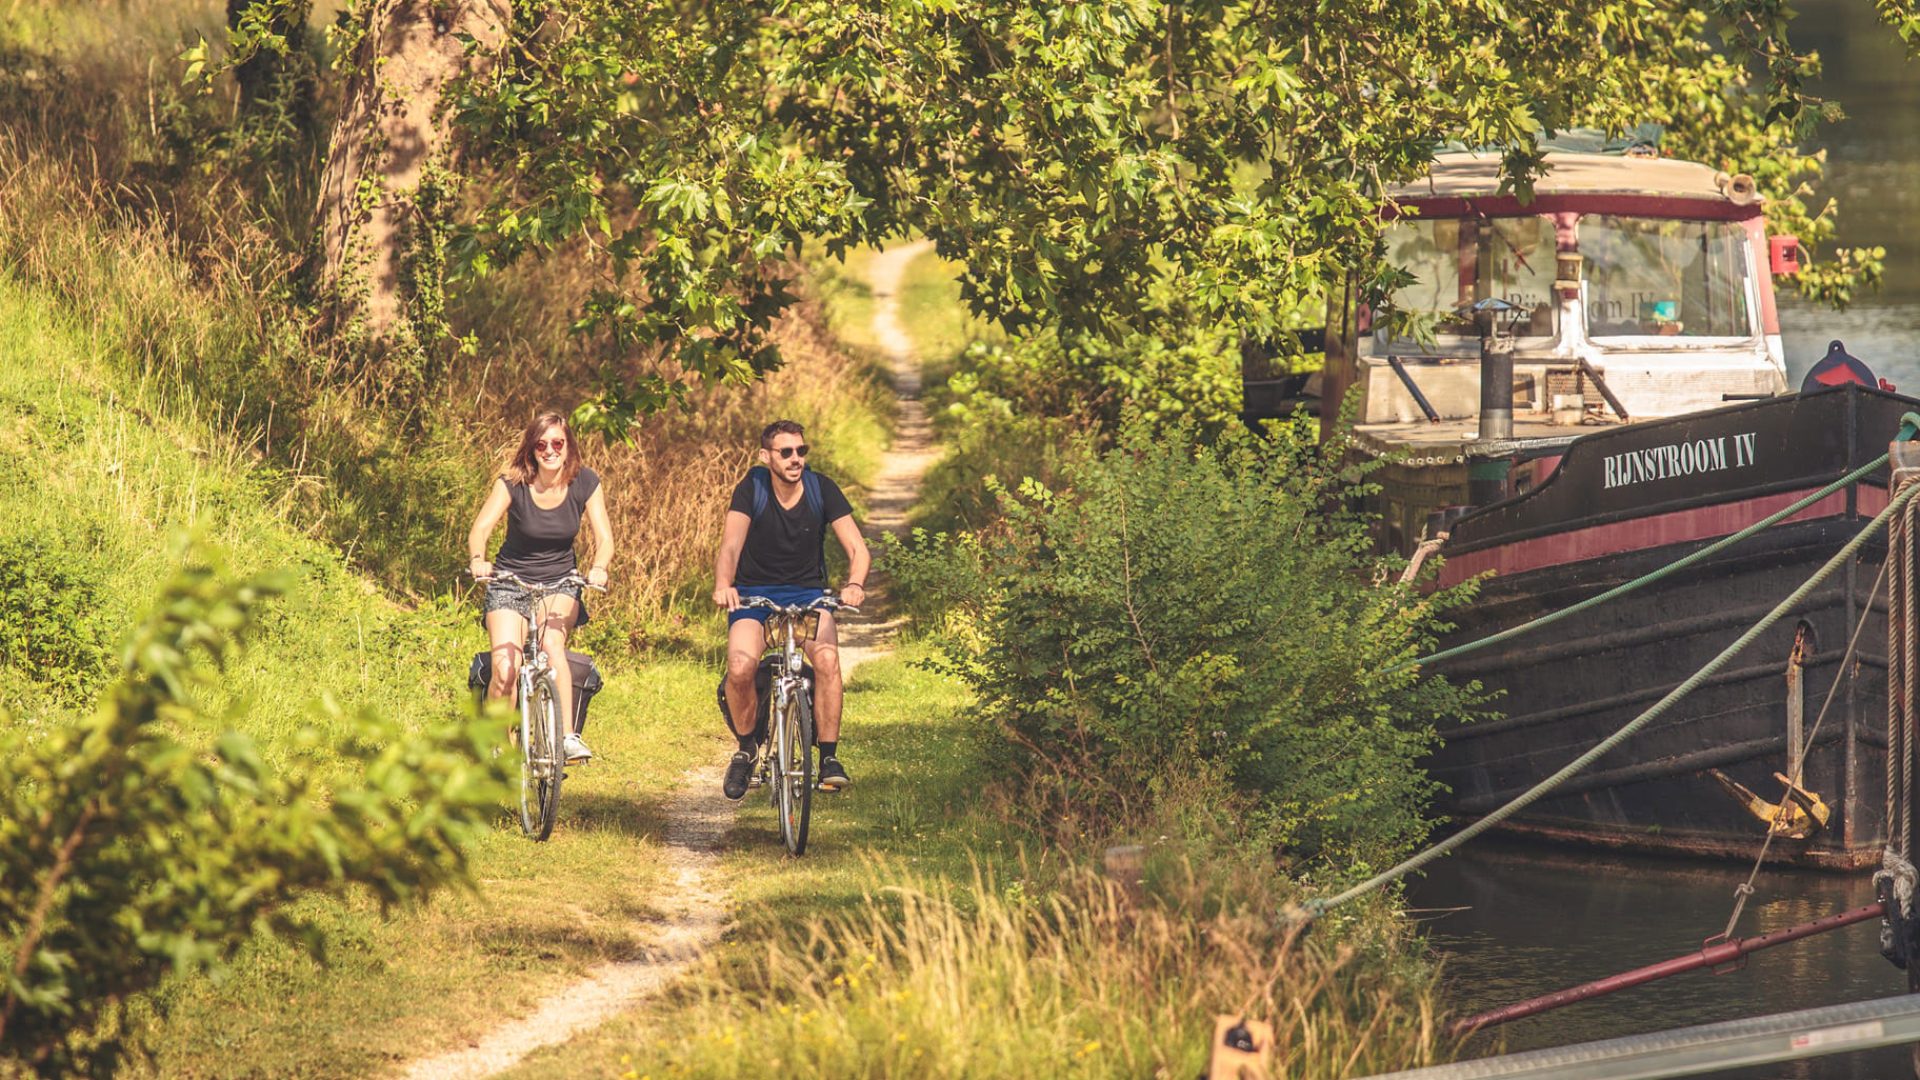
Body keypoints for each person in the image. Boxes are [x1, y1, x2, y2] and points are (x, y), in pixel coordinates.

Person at [713, 419, 870, 799]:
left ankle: (829, 757)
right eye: (786, 452)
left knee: (829, 661)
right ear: (766, 456)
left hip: (807, 596)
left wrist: (854, 584)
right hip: (755, 596)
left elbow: (857, 548)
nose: (795, 458)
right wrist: (724, 585)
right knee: (739, 667)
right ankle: (747, 748)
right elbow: (731, 545)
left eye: (801, 451)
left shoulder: (821, 488)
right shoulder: (753, 487)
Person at [467, 410, 614, 762]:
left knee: (551, 645)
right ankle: (501, 746)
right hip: (509, 581)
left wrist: (598, 568)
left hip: (560, 581)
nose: (550, 450)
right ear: (531, 449)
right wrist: (477, 560)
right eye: (541, 444)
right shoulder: (511, 483)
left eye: (557, 443)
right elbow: (481, 529)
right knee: (505, 666)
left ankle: (566, 737)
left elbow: (605, 539)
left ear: (568, 445)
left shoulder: (585, 482)